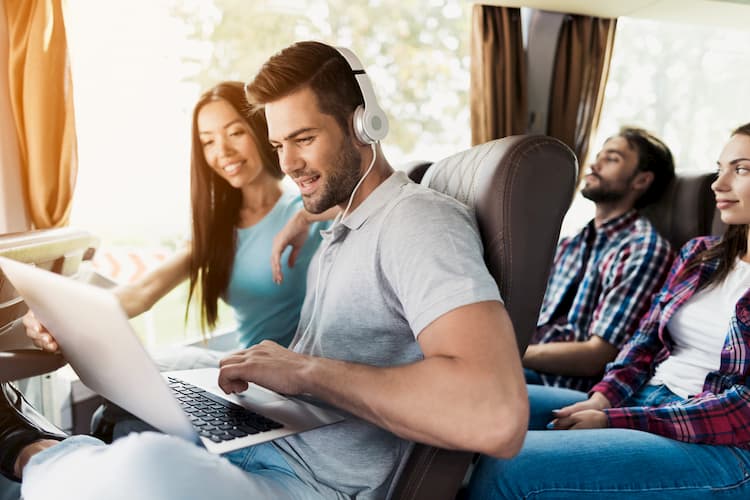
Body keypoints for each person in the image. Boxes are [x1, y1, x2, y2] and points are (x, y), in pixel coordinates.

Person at [1, 41, 528, 499]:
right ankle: (62, 452)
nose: (289, 164)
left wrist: (304, 371)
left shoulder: (417, 222)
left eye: (303, 139)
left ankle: (28, 448)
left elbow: (495, 415)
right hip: (275, 444)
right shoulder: (344, 226)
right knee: (150, 389)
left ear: (364, 123)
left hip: (316, 486)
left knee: (144, 470)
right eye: (279, 145)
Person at [467, 123, 750, 499]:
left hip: (720, 443)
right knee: (472, 402)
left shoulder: (644, 247)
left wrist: (618, 419)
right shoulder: (701, 255)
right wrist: (603, 398)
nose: (719, 183)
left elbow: (742, 411)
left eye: (741, 169)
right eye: (720, 168)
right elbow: (644, 342)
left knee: (510, 466)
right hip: (645, 397)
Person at [24, 81, 327, 366]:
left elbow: (360, 199)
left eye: (235, 133)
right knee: (118, 408)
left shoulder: (308, 208)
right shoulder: (217, 227)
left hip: (300, 379)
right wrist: (59, 316)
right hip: (248, 378)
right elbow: (142, 292)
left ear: (262, 131)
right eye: (208, 141)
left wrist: (305, 216)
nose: (222, 152)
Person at [524, 127, 675, 391]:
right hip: (529, 364)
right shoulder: (572, 243)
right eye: (599, 156)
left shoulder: (643, 250)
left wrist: (510, 355)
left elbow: (597, 356)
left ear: (641, 180)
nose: (594, 165)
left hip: (563, 385)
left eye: (612, 158)